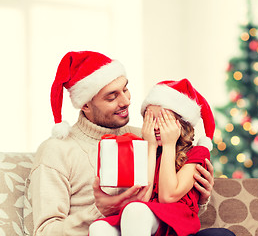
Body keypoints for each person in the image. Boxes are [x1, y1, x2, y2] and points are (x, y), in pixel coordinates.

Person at [29, 51, 225, 236]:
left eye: (125, 89)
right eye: (112, 96)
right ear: (85, 105)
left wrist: (199, 197)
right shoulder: (56, 150)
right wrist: (99, 211)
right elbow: (45, 232)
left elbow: (167, 207)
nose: (126, 101)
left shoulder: (147, 137)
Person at [88, 79, 236, 236]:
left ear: (181, 123)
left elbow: (168, 196)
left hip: (174, 222)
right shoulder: (142, 150)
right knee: (99, 228)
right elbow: (143, 198)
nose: (156, 127)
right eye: (150, 120)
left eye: (163, 120)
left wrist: (169, 145)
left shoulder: (197, 153)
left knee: (135, 210)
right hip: (146, 219)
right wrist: (151, 146)